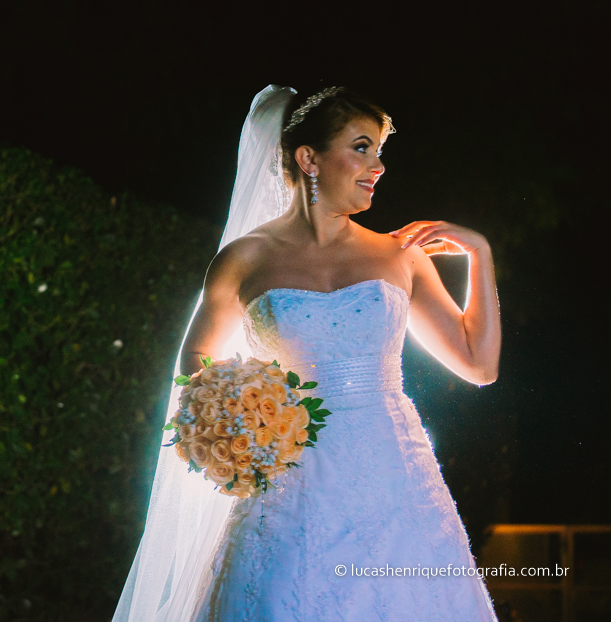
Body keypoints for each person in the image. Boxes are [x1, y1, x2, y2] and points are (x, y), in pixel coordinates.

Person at [113, 85, 500, 621]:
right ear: (308, 159)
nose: (379, 166)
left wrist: (479, 254)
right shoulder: (245, 260)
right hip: (287, 485)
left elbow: (480, 366)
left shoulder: (400, 256)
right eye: (362, 148)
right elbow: (197, 363)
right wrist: (243, 423)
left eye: (380, 151)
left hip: (394, 482)